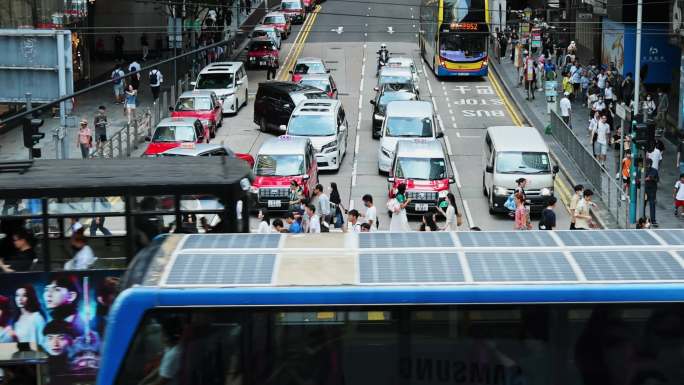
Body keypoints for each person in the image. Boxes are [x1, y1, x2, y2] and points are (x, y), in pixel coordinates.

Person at [644, 158, 659, 227]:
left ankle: (653, 220)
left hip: (652, 190)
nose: (646, 165)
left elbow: (657, 179)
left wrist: (651, 178)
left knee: (652, 204)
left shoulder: (654, 171)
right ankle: (643, 217)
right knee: (643, 204)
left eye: (647, 164)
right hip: (644, 190)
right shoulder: (642, 169)